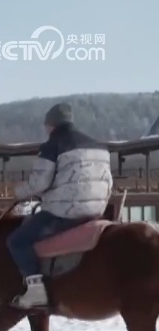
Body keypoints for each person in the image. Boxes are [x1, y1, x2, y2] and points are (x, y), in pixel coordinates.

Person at [7, 103, 113, 309]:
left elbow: (40, 183)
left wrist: (18, 193)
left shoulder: (52, 145)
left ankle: (36, 291)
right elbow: (109, 182)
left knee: (17, 241)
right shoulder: (99, 146)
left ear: (51, 125)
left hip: (64, 213)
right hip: (96, 211)